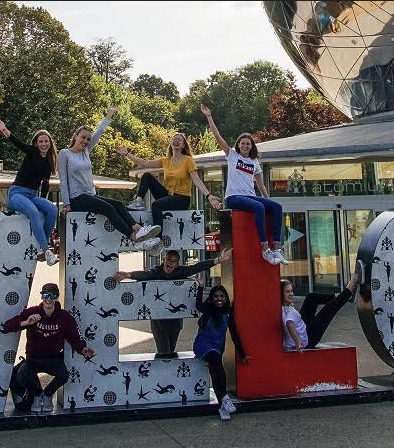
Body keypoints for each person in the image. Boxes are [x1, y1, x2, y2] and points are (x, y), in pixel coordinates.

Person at [58, 108, 163, 252]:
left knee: (119, 204)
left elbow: (99, 132)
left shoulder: (86, 152)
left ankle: (138, 229)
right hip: (76, 198)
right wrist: (66, 204)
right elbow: (63, 180)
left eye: (88, 139)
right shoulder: (64, 154)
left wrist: (109, 115)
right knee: (108, 209)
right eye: (83, 137)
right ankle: (133, 237)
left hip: (90, 195)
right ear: (76, 136)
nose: (86, 141)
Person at [202, 104, 286, 265]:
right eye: (243, 143)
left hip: (250, 196)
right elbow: (218, 137)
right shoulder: (232, 156)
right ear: (238, 145)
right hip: (234, 197)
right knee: (259, 208)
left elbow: (261, 186)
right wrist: (209, 117)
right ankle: (265, 249)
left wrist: (268, 200)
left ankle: (277, 247)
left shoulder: (254, 162)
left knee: (276, 207)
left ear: (251, 146)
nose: (245, 146)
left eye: (248, 144)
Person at [114, 248, 234, 358]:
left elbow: (197, 267)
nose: (171, 263)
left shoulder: (180, 271)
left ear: (177, 264)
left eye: (174, 261)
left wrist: (218, 260)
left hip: (175, 319)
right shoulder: (158, 271)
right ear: (164, 260)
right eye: (169, 260)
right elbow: (146, 274)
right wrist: (129, 275)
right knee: (163, 351)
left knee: (171, 350)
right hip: (159, 320)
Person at [1, 283, 95, 413]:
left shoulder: (64, 317)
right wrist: (26, 323)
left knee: (63, 375)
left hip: (53, 358)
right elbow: (7, 326)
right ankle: (38, 395)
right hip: (33, 358)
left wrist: (83, 349)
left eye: (52, 296)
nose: (48, 299)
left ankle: (47, 396)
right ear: (41, 296)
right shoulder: (32, 312)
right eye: (45, 295)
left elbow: (75, 337)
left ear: (57, 297)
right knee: (22, 375)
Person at [0, 117, 61, 265]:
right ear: (36, 143)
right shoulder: (32, 152)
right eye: (40, 141)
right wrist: (4, 129)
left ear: (50, 143)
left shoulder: (49, 161)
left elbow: (45, 185)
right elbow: (18, 143)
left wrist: (44, 202)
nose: (43, 144)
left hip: (32, 196)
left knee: (52, 209)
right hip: (17, 194)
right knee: (33, 212)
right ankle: (46, 249)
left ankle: (43, 249)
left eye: (46, 141)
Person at [115, 131, 223, 228]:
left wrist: (209, 195)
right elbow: (143, 163)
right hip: (167, 195)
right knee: (147, 175)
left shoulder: (188, 160)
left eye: (179, 139)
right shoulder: (166, 160)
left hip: (181, 199)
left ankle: (158, 238)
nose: (176, 140)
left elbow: (196, 179)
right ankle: (138, 201)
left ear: (183, 145)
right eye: (174, 139)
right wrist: (127, 154)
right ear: (171, 144)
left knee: (156, 204)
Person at [192, 285, 248, 421]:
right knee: (215, 361)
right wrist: (200, 288)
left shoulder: (228, 313)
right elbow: (199, 305)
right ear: (212, 298)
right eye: (216, 296)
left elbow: (234, 334)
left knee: (217, 366)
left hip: (217, 348)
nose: (219, 299)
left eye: (222, 296)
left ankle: (222, 405)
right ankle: (224, 398)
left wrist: (243, 354)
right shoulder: (208, 310)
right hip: (202, 346)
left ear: (226, 298)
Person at [279, 269, 360, 351]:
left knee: (311, 298)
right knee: (328, 309)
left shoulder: (283, 307)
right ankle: (350, 287)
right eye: (287, 292)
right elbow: (289, 324)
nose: (291, 294)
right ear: (281, 294)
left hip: (304, 329)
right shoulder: (288, 312)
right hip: (309, 338)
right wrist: (297, 342)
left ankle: (339, 296)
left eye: (291, 291)